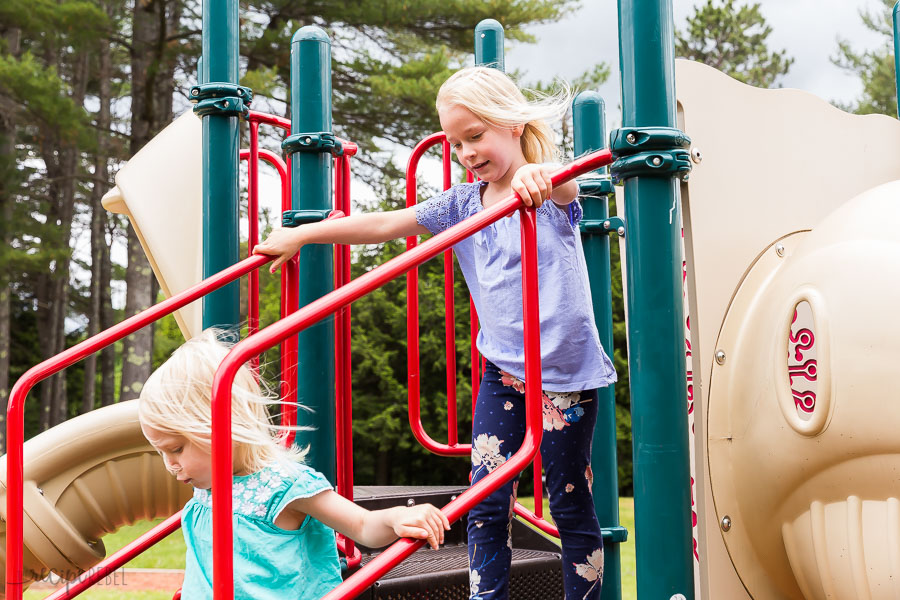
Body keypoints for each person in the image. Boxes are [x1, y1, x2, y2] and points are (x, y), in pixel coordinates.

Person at [254, 65, 616, 600]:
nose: (467, 152)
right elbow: (384, 224)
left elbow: (563, 181)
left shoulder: (547, 194)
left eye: (476, 136)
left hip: (567, 378)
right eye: (456, 142)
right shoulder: (461, 205)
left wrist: (537, 176)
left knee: (568, 500)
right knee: (486, 500)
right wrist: (305, 234)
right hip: (505, 375)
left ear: (512, 124)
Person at [138, 330, 450, 600]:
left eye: (176, 449)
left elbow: (361, 526)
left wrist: (397, 517)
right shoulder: (208, 491)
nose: (170, 465)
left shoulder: (284, 485)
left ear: (223, 425)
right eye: (162, 453)